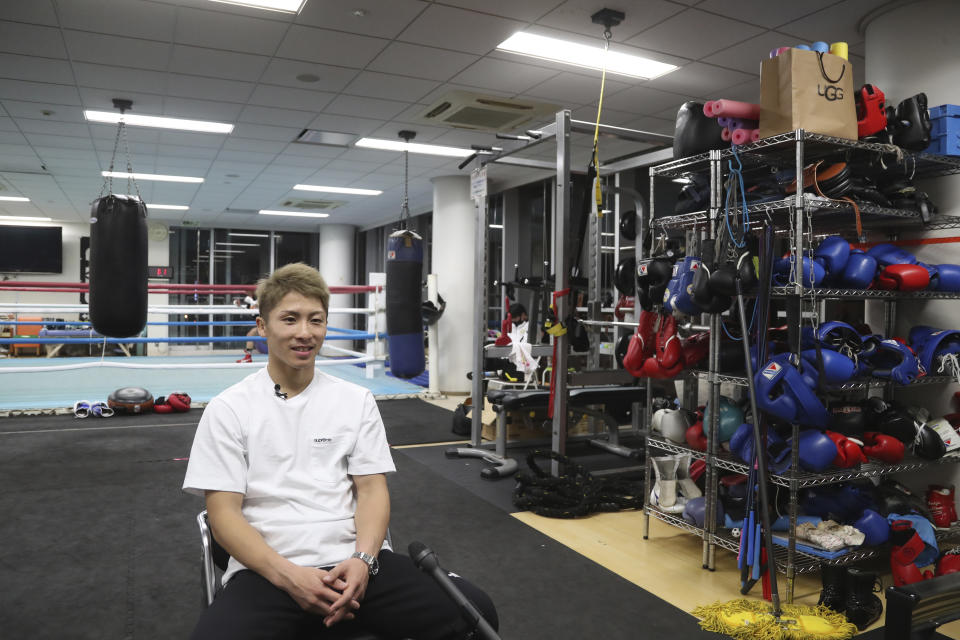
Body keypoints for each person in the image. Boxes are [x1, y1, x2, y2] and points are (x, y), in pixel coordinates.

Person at [183, 263, 498, 640]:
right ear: (262, 326)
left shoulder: (356, 400)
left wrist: (363, 560)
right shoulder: (229, 409)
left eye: (315, 320)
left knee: (476, 615)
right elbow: (223, 516)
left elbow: (371, 489)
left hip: (356, 567)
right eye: (290, 319)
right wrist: (291, 577)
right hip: (268, 572)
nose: (304, 333)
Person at [234, 293, 259, 363]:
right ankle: (248, 356)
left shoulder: (263, 297)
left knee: (250, 334)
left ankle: (248, 356)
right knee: (250, 335)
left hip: (270, 322)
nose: (247, 295)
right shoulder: (252, 301)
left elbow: (263, 306)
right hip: (262, 324)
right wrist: (239, 306)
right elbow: (249, 312)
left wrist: (253, 303)